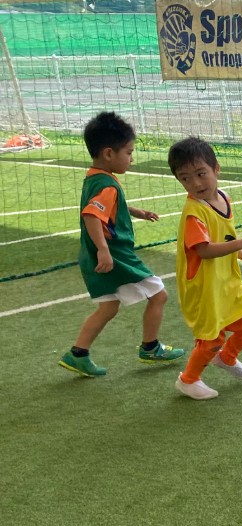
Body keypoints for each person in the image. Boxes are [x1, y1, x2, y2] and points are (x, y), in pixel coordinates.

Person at [58, 111, 184, 377]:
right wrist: (104, 250)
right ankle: (150, 347)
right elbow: (92, 215)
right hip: (116, 256)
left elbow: (105, 208)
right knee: (159, 294)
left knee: (108, 307)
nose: (131, 158)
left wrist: (136, 212)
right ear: (108, 153)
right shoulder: (107, 185)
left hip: (94, 255)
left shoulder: (95, 178)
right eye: (128, 152)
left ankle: (78, 354)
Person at [167, 137, 242, 401]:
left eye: (200, 174)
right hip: (204, 288)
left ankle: (227, 357)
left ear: (216, 169)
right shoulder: (194, 213)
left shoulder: (224, 198)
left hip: (227, 281)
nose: (195, 183)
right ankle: (188, 380)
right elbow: (203, 250)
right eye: (185, 179)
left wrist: (239, 252)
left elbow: (220, 237)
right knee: (211, 339)